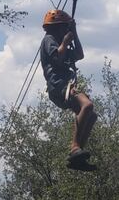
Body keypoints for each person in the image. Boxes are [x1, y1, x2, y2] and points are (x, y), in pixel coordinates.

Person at [40, 9, 98, 171]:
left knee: (91, 116)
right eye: (64, 28)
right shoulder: (49, 40)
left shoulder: (60, 43)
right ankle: (74, 146)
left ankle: (77, 155)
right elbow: (56, 58)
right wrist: (65, 42)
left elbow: (79, 55)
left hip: (64, 86)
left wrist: (75, 33)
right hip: (58, 85)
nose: (65, 32)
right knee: (87, 106)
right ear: (58, 28)